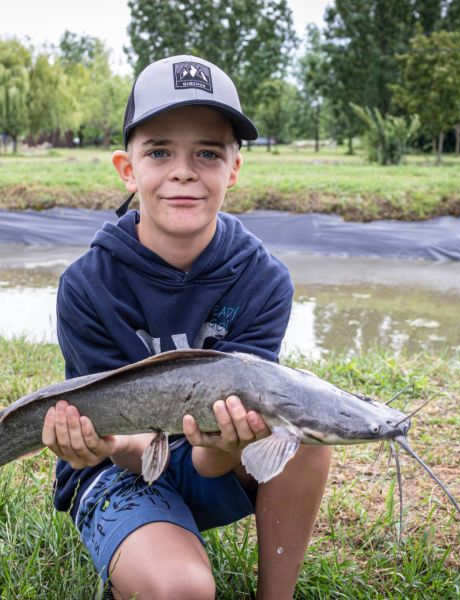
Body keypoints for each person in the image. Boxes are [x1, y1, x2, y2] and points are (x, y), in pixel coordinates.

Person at [43, 55, 331, 599]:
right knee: (183, 590)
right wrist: (90, 440)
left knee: (306, 426)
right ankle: (156, 538)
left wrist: (220, 445)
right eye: (158, 151)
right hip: (116, 466)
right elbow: (119, 444)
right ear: (127, 168)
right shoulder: (86, 284)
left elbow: (216, 453)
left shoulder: (264, 279)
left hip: (214, 460)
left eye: (207, 152)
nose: (183, 171)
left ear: (234, 168)